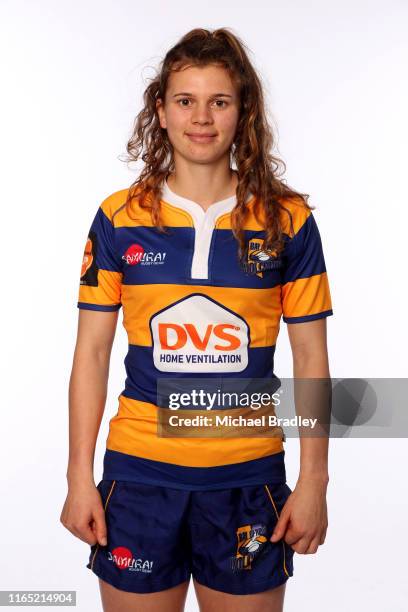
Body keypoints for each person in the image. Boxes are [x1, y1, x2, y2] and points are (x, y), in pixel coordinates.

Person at [60, 27, 333, 612]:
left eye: (220, 101)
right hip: (138, 480)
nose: (201, 117)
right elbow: (91, 355)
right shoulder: (118, 218)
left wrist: (314, 483)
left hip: (246, 482)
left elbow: (311, 359)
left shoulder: (289, 221)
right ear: (160, 111)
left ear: (243, 112)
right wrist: (77, 476)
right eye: (185, 100)